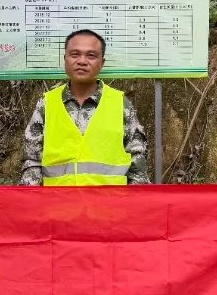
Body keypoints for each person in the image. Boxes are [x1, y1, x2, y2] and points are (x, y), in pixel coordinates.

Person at [21, 29, 149, 186]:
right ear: (65, 59)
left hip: (110, 201)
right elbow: (32, 161)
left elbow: (138, 163)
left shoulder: (121, 104)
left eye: (91, 56)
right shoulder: (46, 104)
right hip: (58, 201)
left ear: (102, 63)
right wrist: (32, 198)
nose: (82, 61)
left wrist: (132, 198)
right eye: (75, 54)